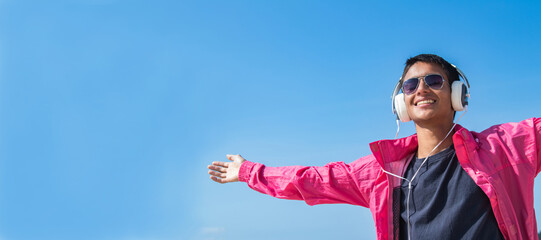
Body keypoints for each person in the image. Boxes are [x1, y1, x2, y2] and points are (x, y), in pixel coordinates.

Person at [207, 54, 541, 240]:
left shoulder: (504, 147)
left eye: (434, 81)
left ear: (457, 96)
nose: (422, 88)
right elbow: (312, 180)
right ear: (402, 104)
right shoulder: (380, 172)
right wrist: (248, 172)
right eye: (411, 84)